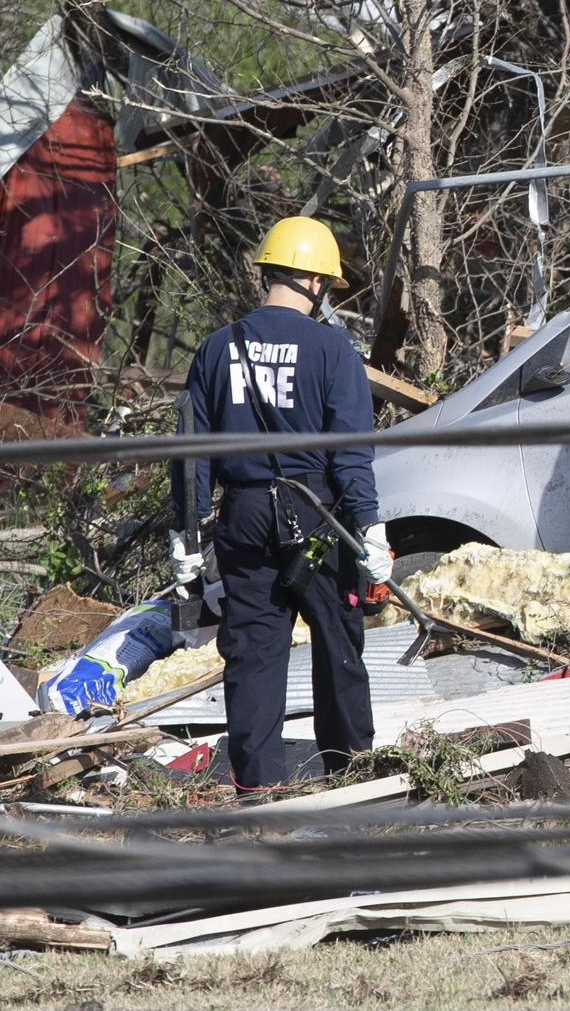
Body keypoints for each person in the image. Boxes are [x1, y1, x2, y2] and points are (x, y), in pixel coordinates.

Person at [172, 216, 386, 790]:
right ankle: (351, 776)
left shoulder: (218, 348)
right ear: (315, 282)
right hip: (316, 513)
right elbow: (349, 454)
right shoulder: (332, 350)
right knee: (338, 642)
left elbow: (192, 454)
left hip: (241, 517)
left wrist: (185, 539)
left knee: (253, 655)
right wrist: (370, 529)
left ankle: (258, 789)